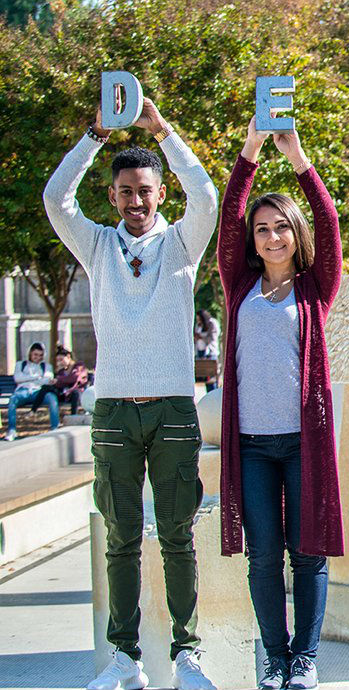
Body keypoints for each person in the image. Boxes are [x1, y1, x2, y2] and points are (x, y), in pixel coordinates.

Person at [43, 97, 218, 690]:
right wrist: (96, 133)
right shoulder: (96, 247)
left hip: (172, 409)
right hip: (115, 411)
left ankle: (187, 655)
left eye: (145, 190)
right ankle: (125, 659)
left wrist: (162, 130)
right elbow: (54, 200)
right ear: (113, 197)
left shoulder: (182, 245)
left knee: (177, 537)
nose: (135, 201)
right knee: (120, 537)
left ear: (159, 194)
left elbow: (208, 198)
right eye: (125, 192)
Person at [218, 119, 345, 690]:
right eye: (262, 229)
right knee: (264, 556)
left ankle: (304, 658)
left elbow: (330, 221)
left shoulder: (316, 288)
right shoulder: (238, 283)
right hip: (251, 446)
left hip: (302, 443)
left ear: (295, 234)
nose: (271, 238)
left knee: (308, 554)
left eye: (281, 228)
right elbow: (228, 217)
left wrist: (298, 159)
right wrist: (249, 149)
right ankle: (274, 658)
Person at [5, 342, 57, 441]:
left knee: (52, 398)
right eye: (35, 355)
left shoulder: (46, 366)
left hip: (38, 392)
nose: (38, 357)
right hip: (23, 391)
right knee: (13, 399)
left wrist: (27, 378)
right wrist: (36, 377)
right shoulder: (21, 364)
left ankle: (54, 428)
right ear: (30, 354)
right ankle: (12, 430)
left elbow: (48, 380)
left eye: (40, 355)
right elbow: (17, 378)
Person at [49, 346, 90, 415]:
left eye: (61, 359)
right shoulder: (61, 371)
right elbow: (60, 384)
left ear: (68, 357)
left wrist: (59, 379)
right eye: (58, 360)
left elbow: (75, 377)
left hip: (78, 393)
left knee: (75, 393)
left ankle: (73, 415)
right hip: (66, 394)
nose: (60, 362)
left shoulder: (79, 366)